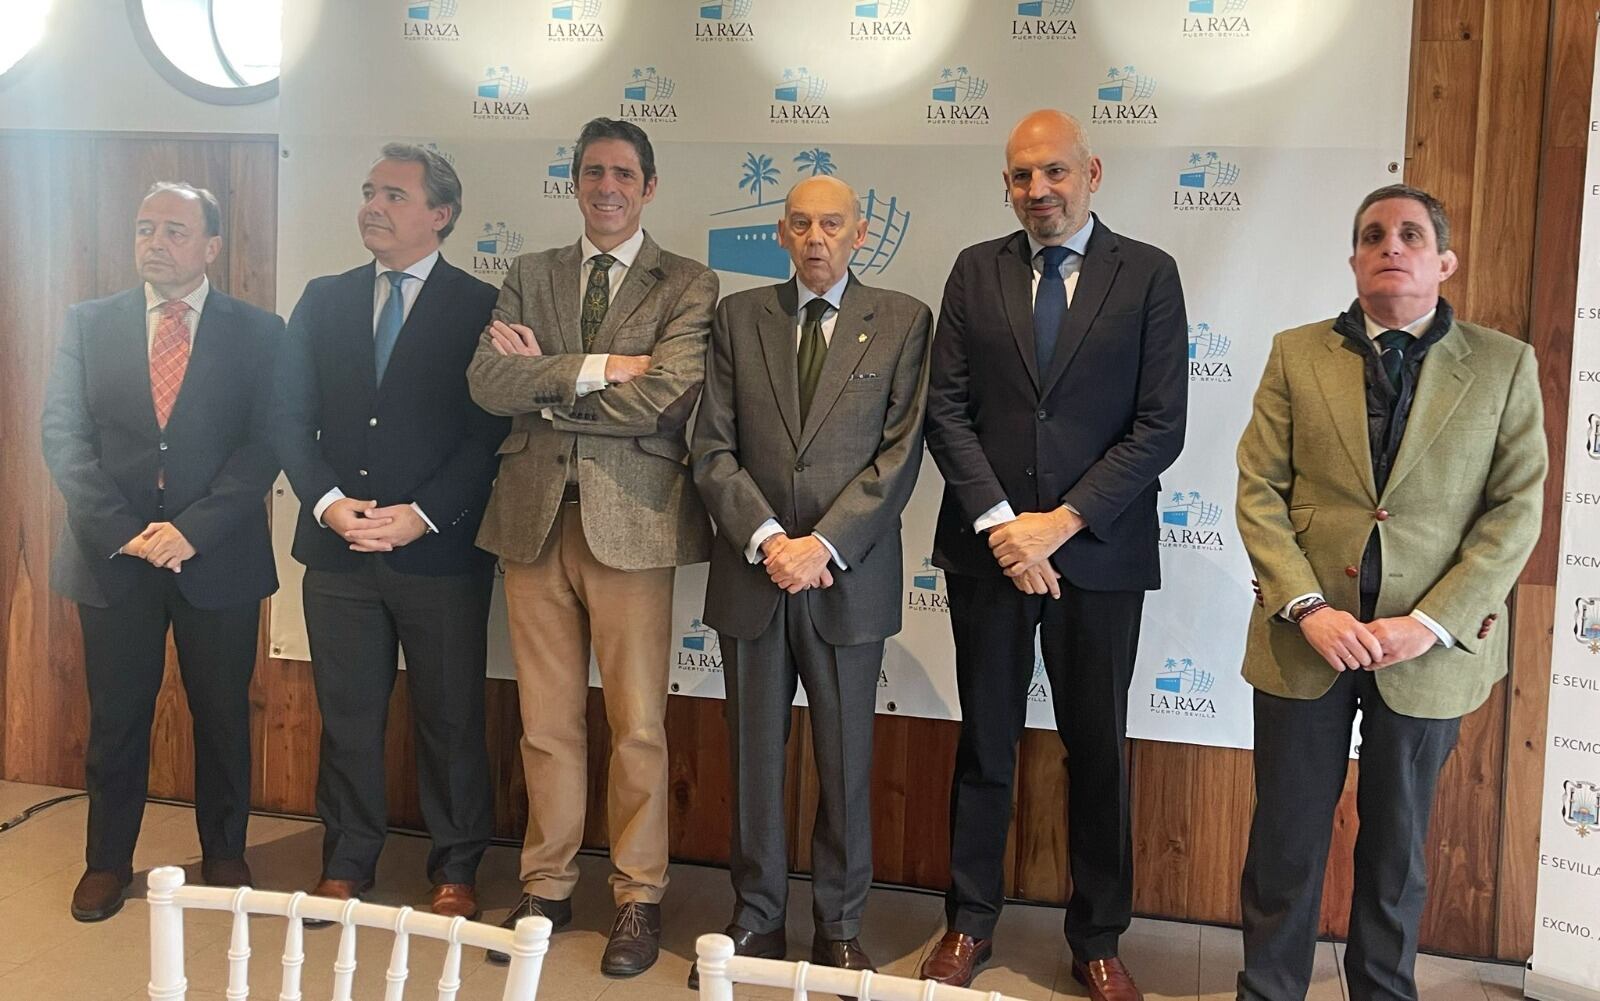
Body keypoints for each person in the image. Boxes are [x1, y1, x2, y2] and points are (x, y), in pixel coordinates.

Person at [1233, 184, 1545, 1001]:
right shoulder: (1297, 353)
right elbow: (1259, 488)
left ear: (1444, 261)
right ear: (1354, 259)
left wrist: (1432, 623)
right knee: (1284, 845)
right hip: (1307, 642)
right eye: (1373, 235)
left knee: (1398, 853)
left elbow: (1515, 510)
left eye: (1411, 235)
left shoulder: (1505, 364)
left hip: (1427, 652)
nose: (1390, 246)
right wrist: (1307, 608)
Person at [921, 109, 1188, 999]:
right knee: (986, 743)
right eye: (1022, 176)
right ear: (1007, 184)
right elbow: (946, 410)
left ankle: (1099, 936)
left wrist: (1060, 523)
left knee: (1097, 749)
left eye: (1055, 173)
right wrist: (1006, 526)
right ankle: (968, 922)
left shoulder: (1148, 274)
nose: (1039, 190)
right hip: (988, 554)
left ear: (1092, 172)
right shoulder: (974, 269)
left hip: (1099, 553)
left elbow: (1160, 427)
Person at [466, 117, 718, 976]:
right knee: (545, 724)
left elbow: (665, 396)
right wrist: (600, 368)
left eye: (622, 173)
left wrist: (551, 378)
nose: (606, 186)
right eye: (591, 172)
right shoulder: (528, 272)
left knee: (637, 725)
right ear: (574, 183)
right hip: (532, 521)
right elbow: (485, 380)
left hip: (634, 526)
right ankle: (546, 883)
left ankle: (638, 896)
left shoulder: (688, 281)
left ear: (648, 186)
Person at [688, 175, 932, 987]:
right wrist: (768, 539)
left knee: (846, 759)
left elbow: (898, 457)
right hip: (755, 576)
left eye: (833, 223)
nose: (817, 237)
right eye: (801, 224)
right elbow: (712, 447)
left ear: (860, 234)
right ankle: (755, 915)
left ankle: (840, 923)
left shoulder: (901, 320)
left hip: (844, 580)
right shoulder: (737, 317)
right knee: (755, 760)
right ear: (782, 236)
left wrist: (821, 544)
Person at [272, 143, 504, 921]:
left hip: (438, 552)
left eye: (395, 195)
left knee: (449, 717)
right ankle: (346, 858)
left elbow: (488, 434)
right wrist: (329, 502)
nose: (374, 205)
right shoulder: (324, 297)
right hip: (336, 551)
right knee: (348, 714)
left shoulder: (482, 306)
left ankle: (457, 867)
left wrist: (424, 514)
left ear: (440, 215)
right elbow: (286, 416)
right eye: (370, 191)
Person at [42, 181, 282, 920]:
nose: (156, 241)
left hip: (218, 558)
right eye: (145, 227)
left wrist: (192, 530)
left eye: (175, 230)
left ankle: (225, 852)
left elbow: (264, 443)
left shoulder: (258, 331)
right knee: (116, 718)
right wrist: (128, 530)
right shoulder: (90, 323)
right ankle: (107, 862)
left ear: (211, 246)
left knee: (220, 713)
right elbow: (63, 436)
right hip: (113, 557)